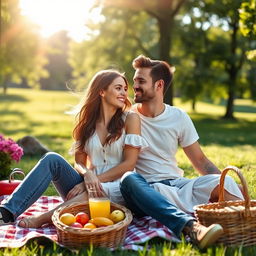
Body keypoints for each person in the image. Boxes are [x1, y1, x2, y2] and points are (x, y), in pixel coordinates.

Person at [120, 55, 244, 249]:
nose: (134, 86)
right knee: (129, 179)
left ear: (159, 85)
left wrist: (225, 185)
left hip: (179, 186)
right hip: (150, 190)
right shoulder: (127, 117)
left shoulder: (178, 117)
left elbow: (201, 161)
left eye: (141, 81)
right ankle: (192, 228)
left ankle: (245, 224)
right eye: (134, 81)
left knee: (226, 181)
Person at [0, 69, 147, 228]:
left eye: (125, 89)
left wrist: (91, 181)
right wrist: (87, 174)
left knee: (93, 191)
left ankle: (41, 219)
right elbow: (79, 163)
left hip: (119, 187)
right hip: (88, 184)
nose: (124, 93)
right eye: (118, 88)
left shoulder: (130, 118)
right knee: (52, 159)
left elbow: (129, 164)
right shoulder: (86, 124)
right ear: (102, 91)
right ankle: (7, 212)